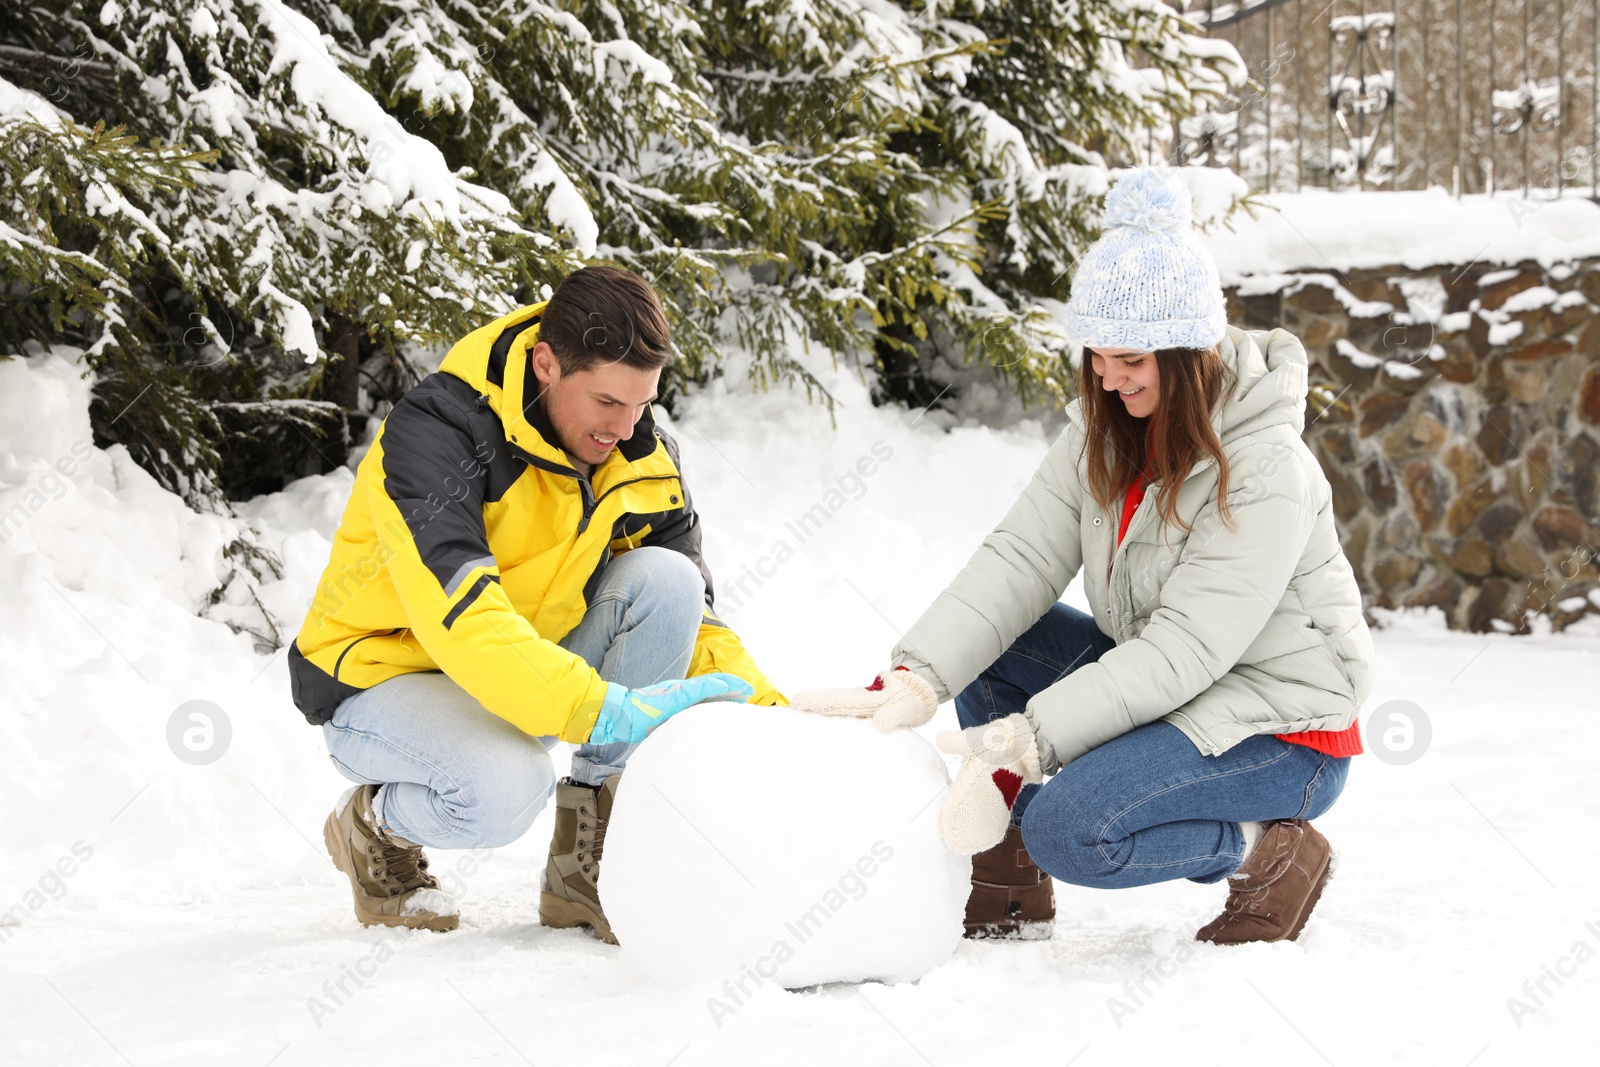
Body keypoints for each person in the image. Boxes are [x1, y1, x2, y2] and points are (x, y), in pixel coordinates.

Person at [795, 167, 1373, 945]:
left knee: (1071, 826)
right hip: (1174, 691)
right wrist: (918, 674)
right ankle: (1008, 876)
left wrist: (1033, 736)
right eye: (1097, 355)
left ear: (1188, 352)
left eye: (1130, 359)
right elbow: (1020, 558)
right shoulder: (1106, 433)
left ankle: (1264, 848)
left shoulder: (1267, 468)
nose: (1107, 376)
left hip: (1280, 730)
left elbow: (1185, 649)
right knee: (997, 655)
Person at [289, 266, 784, 939]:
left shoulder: (634, 449)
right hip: (380, 678)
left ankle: (586, 868)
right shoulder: (438, 433)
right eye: (609, 400)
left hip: (519, 672)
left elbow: (697, 618)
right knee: (506, 791)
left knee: (669, 581)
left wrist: (769, 715)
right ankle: (372, 828)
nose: (627, 426)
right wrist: (599, 705)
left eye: (643, 402)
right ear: (547, 363)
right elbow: (461, 616)